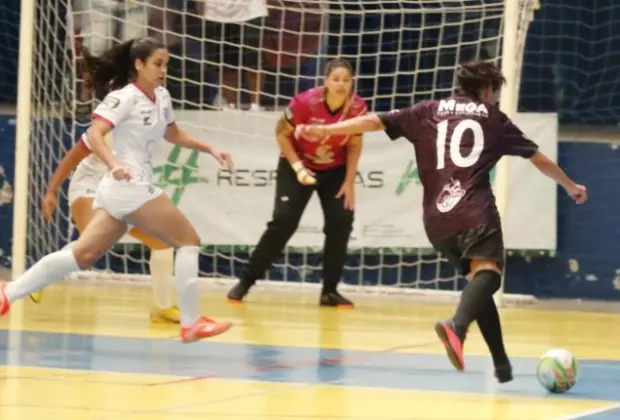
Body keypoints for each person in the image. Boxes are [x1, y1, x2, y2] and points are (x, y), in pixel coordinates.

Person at [297, 60, 587, 382]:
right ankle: (456, 327)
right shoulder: (494, 119)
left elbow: (373, 121)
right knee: (490, 277)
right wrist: (571, 186)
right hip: (475, 211)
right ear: (488, 90)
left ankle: (502, 365)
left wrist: (325, 129)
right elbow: (539, 159)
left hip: (436, 221)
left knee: (478, 282)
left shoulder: (427, 110)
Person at [1, 37, 235, 343]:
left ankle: (8, 293)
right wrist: (112, 163)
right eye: (157, 64)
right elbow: (95, 135)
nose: (164, 70)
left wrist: (210, 148)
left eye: (167, 64)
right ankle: (190, 324)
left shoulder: (162, 96)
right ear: (138, 65)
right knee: (188, 240)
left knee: (83, 254)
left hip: (123, 188)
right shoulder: (123, 98)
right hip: (129, 185)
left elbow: (173, 133)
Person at [226, 58, 367, 307]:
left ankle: (329, 291)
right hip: (297, 166)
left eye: (346, 80)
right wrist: (299, 167)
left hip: (335, 170)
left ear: (352, 82)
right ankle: (245, 282)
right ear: (326, 81)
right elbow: (281, 133)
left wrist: (349, 182)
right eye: (336, 79)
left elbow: (355, 145)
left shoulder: (357, 108)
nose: (341, 84)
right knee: (283, 222)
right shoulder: (305, 103)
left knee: (341, 223)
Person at [36, 130, 180, 324]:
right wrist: (51, 192)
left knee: (163, 241)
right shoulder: (107, 126)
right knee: (91, 242)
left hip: (117, 189)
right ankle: (39, 277)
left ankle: (163, 307)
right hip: (88, 185)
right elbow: (72, 157)